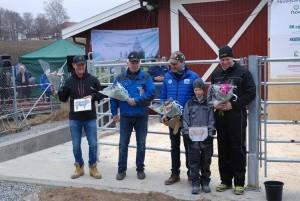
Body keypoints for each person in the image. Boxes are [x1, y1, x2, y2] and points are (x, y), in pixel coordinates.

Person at [211, 45, 256, 195]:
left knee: (237, 148)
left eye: (227, 59)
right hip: (220, 116)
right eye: (222, 59)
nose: (224, 62)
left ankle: (239, 182)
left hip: (237, 116)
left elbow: (251, 93)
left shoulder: (243, 73)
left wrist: (233, 105)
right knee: (223, 148)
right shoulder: (216, 74)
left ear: (232, 58)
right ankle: (225, 180)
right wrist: (215, 104)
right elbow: (212, 93)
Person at [58, 55, 105, 179]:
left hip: (90, 117)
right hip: (75, 119)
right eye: (78, 65)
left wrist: (92, 97)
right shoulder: (68, 82)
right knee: (75, 145)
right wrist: (59, 90)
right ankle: (79, 167)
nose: (80, 67)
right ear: (74, 66)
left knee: (93, 144)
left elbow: (101, 94)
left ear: (85, 65)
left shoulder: (93, 80)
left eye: (82, 65)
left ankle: (93, 167)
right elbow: (63, 98)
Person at [110, 51, 155, 181]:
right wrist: (114, 113)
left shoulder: (146, 77)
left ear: (139, 63)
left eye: (136, 62)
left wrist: (136, 100)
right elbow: (113, 96)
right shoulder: (120, 78)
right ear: (127, 63)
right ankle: (121, 170)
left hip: (141, 115)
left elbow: (151, 93)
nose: (134, 64)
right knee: (123, 144)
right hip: (125, 116)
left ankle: (140, 169)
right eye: (132, 62)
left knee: (141, 144)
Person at [160, 51, 199, 185]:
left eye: (175, 64)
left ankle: (191, 173)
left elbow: (198, 98)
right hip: (172, 119)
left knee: (190, 146)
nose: (172, 66)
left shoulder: (193, 77)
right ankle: (174, 173)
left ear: (182, 62)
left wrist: (190, 113)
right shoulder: (167, 76)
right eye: (171, 64)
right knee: (174, 146)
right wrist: (164, 114)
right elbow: (163, 97)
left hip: (188, 119)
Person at [182, 78, 215, 194]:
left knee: (206, 161)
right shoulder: (189, 104)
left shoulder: (209, 104)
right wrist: (186, 133)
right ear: (193, 90)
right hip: (193, 139)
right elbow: (185, 119)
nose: (198, 92)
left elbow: (212, 119)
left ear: (203, 90)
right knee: (193, 161)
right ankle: (195, 183)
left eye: (200, 90)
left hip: (206, 138)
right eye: (196, 90)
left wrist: (210, 134)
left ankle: (205, 182)